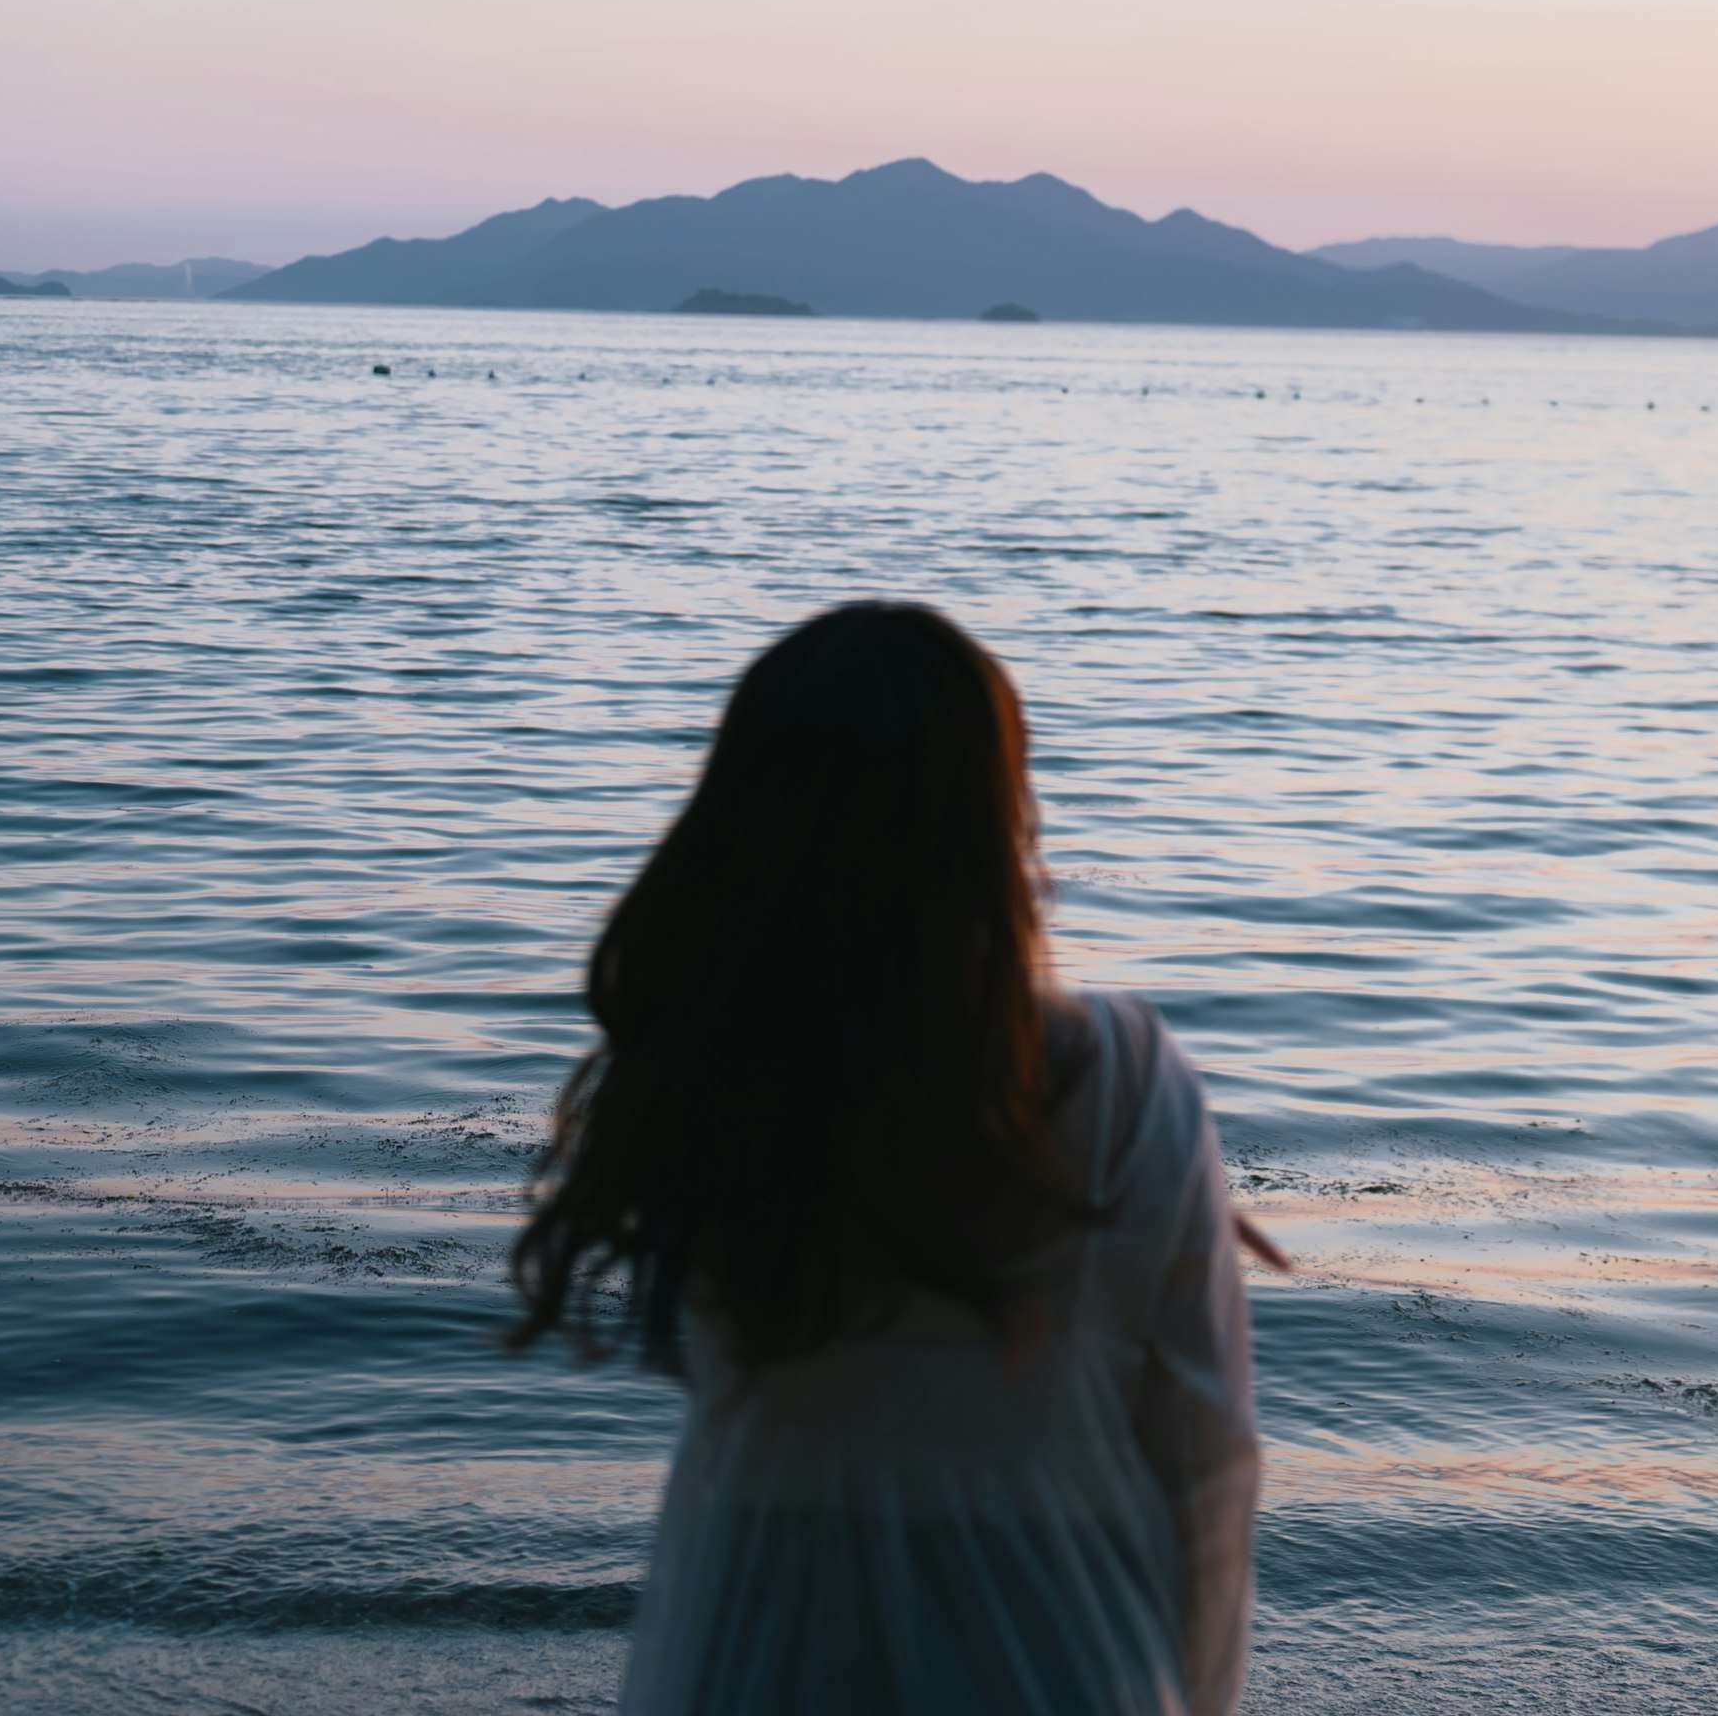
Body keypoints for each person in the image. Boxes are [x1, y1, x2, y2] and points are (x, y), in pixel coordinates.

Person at [510, 600, 1273, 1716]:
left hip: (746, 1656)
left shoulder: (697, 1075)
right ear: (993, 818)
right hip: (1059, 1667)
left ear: (743, 818)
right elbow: (1209, 1470)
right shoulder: (1125, 1088)